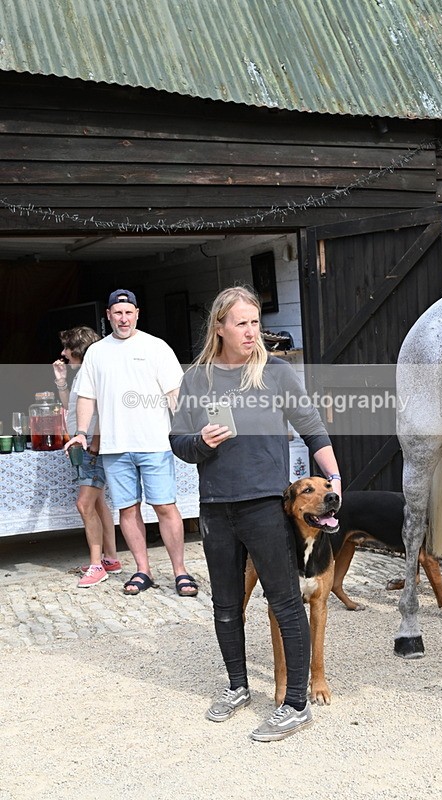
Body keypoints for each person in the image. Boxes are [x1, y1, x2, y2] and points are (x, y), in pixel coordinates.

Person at [169, 286, 341, 742]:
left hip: (266, 504)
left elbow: (312, 428)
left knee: (285, 603)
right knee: (226, 605)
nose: (251, 331)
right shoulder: (197, 379)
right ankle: (238, 687)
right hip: (215, 506)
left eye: (254, 322)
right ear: (220, 327)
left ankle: (297, 704)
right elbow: (179, 442)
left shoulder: (278, 372)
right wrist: (200, 442)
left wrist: (335, 477)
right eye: (241, 323)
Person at [64, 289, 197, 597]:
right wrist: (82, 431)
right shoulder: (97, 352)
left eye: (128, 312)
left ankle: (181, 571)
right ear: (108, 316)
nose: (123, 318)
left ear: (137, 313)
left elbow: (175, 394)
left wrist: (187, 429)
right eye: (117, 313)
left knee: (165, 507)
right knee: (128, 509)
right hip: (114, 447)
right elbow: (87, 395)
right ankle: (142, 570)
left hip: (154, 443)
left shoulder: (156, 347)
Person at [53, 326, 121, 588]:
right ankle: (111, 559)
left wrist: (96, 441)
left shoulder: (94, 374)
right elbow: (71, 407)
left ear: (78, 349)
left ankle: (96, 565)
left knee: (84, 504)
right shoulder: (83, 374)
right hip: (87, 444)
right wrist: (61, 380)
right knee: (98, 502)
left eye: (67, 347)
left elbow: (104, 410)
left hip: (93, 446)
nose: (63, 353)